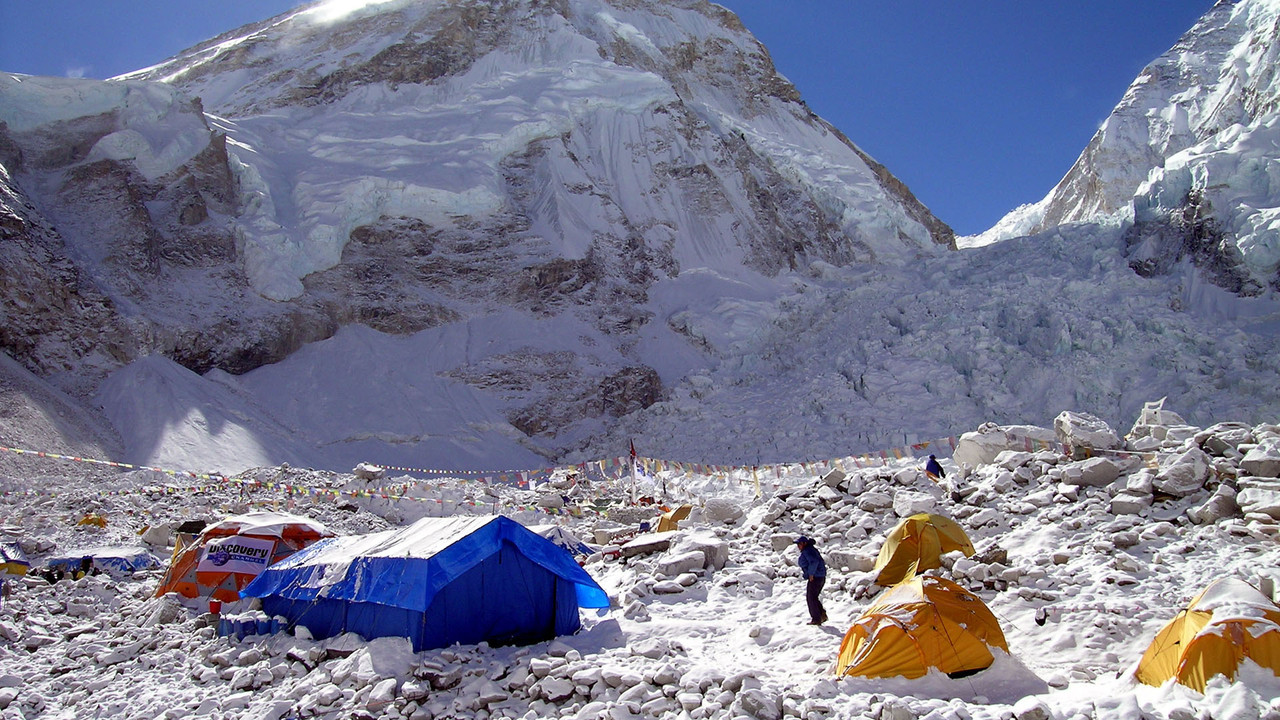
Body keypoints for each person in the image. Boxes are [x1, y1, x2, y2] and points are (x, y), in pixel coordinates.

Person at [795, 536, 827, 625]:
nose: (798, 546)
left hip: (816, 577)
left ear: (804, 544)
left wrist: (811, 574)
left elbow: (814, 562)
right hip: (819, 576)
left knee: (811, 597)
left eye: (799, 544)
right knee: (813, 597)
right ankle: (821, 615)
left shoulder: (808, 551)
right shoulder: (809, 550)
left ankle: (816, 619)